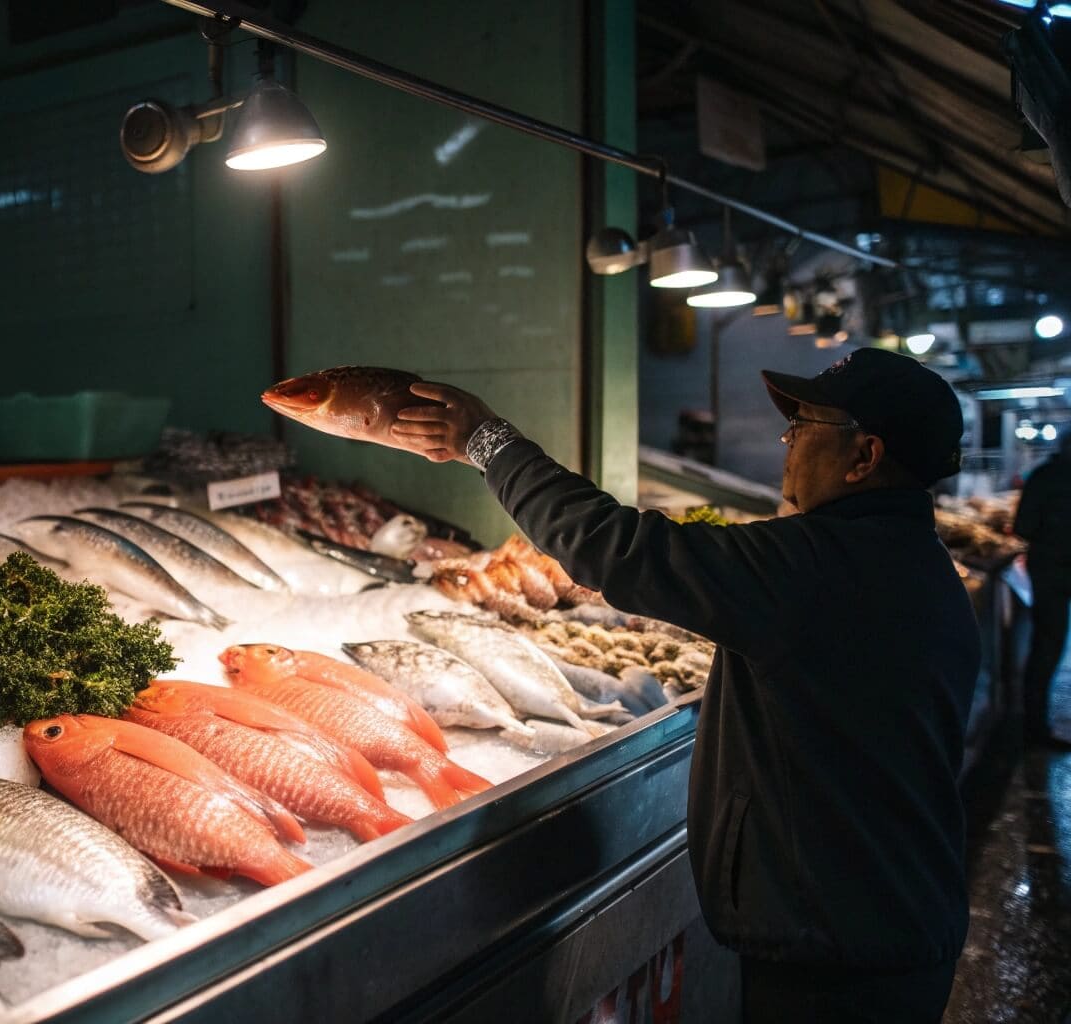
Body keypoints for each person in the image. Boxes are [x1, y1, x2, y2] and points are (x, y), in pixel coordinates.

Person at [383, 348, 977, 1023]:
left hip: (840, 959)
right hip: (880, 926)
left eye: (804, 426)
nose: (787, 446)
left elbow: (614, 546)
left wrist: (486, 441)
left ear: (864, 456)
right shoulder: (906, 562)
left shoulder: (821, 566)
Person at [1013, 438, 1071, 747]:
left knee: (1047, 646)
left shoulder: (1044, 476)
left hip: (1049, 568)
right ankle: (1035, 728)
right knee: (1048, 645)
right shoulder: (1046, 477)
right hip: (1052, 570)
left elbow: (1023, 526)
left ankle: (1035, 727)